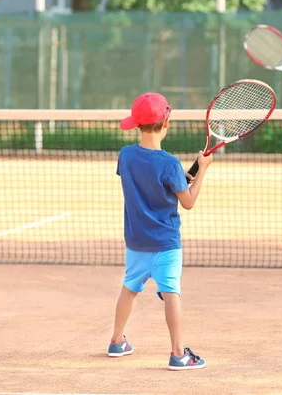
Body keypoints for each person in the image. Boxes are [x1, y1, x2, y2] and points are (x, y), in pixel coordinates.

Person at [108, 92, 212, 370]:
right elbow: (187, 202)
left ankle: (117, 341)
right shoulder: (170, 164)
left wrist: (179, 177)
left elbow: (146, 179)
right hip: (165, 243)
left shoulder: (126, 155)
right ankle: (178, 354)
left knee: (129, 289)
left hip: (136, 241)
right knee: (171, 293)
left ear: (137, 125)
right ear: (165, 124)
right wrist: (201, 171)